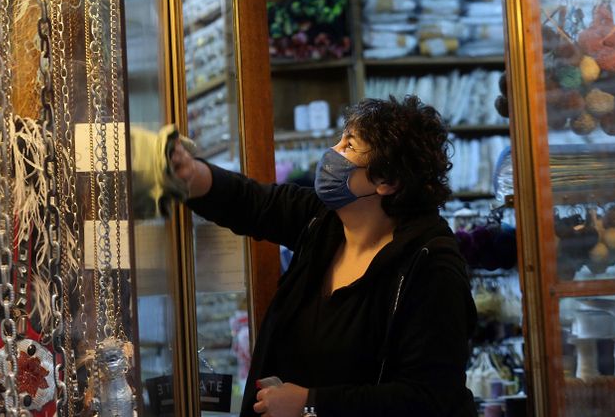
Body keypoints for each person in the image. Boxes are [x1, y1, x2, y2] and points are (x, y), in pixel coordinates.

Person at [170, 95, 477, 417]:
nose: (331, 153)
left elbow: (428, 399)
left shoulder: (431, 268)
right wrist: (188, 172)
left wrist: (309, 403)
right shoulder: (323, 220)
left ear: (387, 180)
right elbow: (252, 203)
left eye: (349, 145)